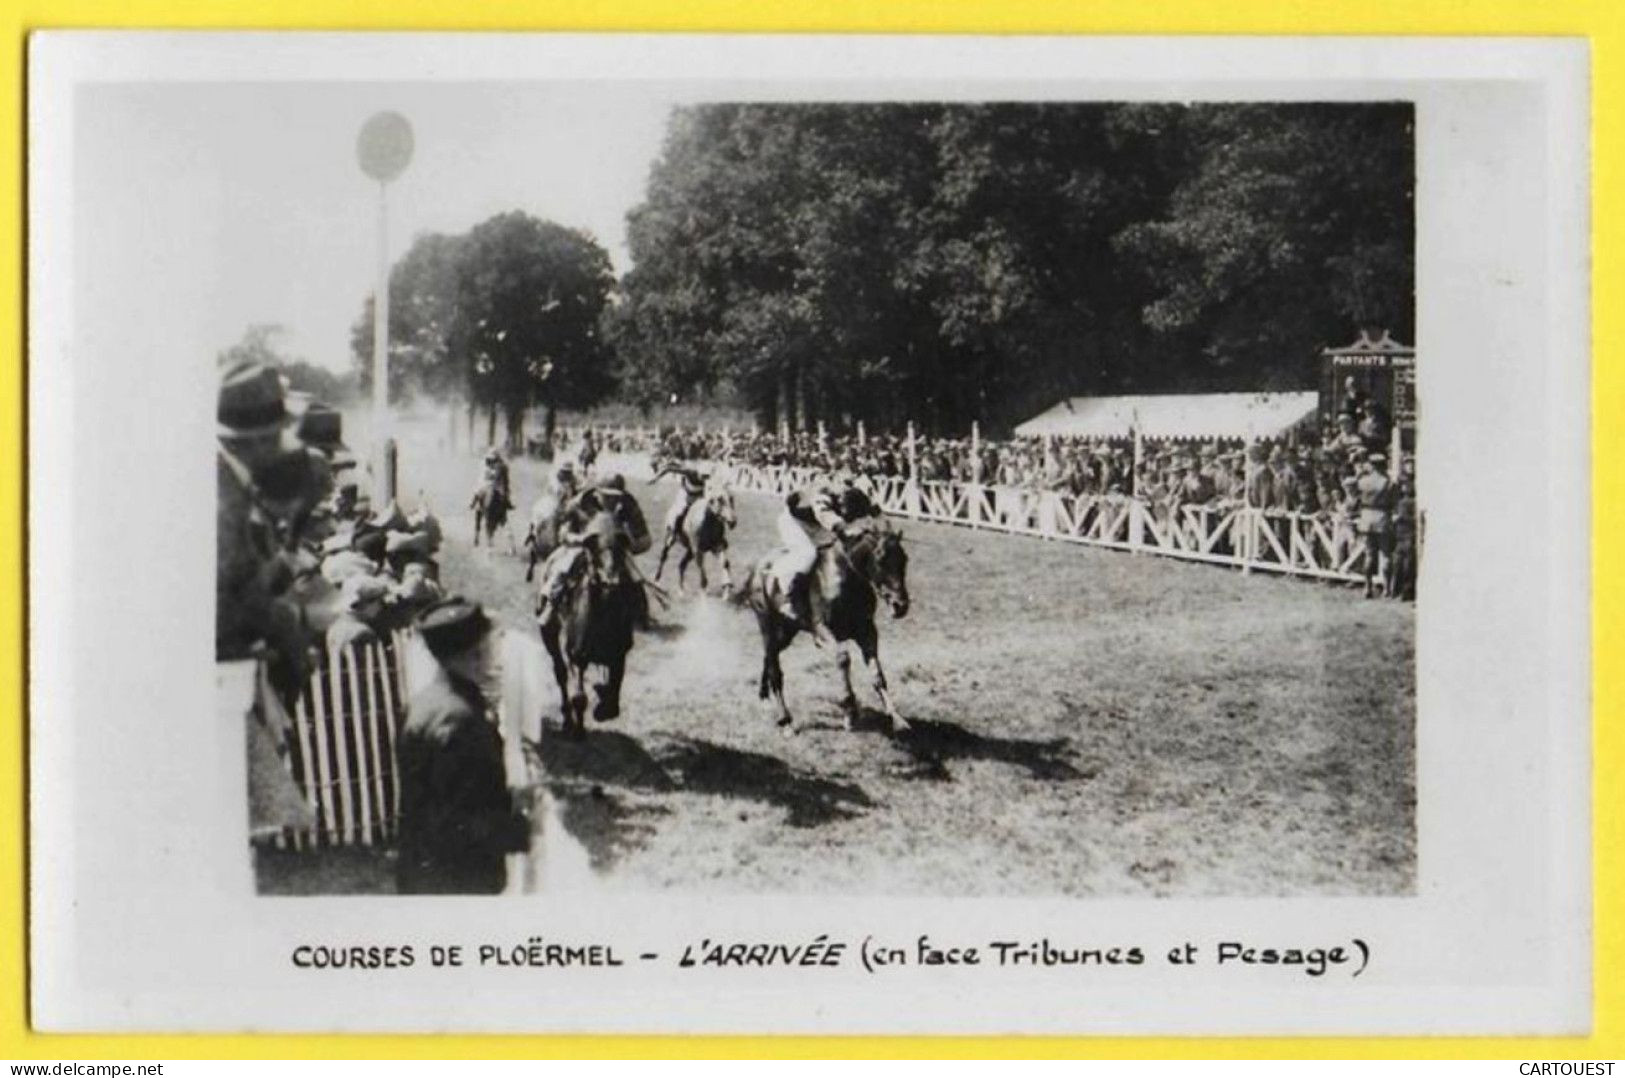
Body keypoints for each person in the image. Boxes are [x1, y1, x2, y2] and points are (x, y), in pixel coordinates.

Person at [396, 598, 530, 894]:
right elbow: (460, 824)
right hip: (458, 880)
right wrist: (525, 829)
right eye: (492, 645)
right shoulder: (461, 722)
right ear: (475, 654)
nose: (497, 653)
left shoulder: (425, 702)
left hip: (423, 870)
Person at [535, 473, 652, 627]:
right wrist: (579, 539)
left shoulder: (628, 504)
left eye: (617, 497)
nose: (613, 501)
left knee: (634, 577)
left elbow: (645, 538)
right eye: (608, 496)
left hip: (613, 548)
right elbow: (563, 532)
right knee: (563, 568)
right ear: (598, 492)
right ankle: (551, 605)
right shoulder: (579, 503)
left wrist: (628, 544)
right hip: (582, 545)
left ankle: (640, 613)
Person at [771, 475, 882, 634]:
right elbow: (823, 514)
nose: (848, 510)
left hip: (818, 522)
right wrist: (843, 528)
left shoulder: (859, 494)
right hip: (795, 521)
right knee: (808, 553)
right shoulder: (825, 492)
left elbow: (877, 515)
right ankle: (790, 599)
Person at [326, 575, 389, 652]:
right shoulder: (362, 633)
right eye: (379, 601)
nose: (381, 607)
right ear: (364, 603)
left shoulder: (334, 628)